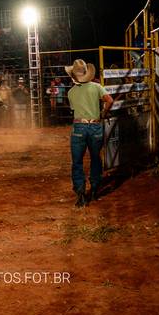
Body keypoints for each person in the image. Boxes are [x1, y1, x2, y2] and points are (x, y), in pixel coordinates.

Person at [65, 59, 113, 208]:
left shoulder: (71, 92)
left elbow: (73, 109)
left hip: (79, 126)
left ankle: (80, 193)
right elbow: (109, 100)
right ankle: (95, 189)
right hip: (95, 126)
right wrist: (103, 113)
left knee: (77, 161)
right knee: (95, 158)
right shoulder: (97, 87)